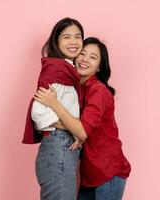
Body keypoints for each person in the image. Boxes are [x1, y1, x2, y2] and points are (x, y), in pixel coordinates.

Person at [34, 37, 131, 200]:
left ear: (100, 66)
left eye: (93, 57)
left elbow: (82, 131)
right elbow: (78, 128)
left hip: (108, 172)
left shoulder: (98, 90)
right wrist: (72, 127)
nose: (85, 59)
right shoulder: (74, 89)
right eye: (82, 54)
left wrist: (54, 104)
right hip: (89, 174)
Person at [22, 17, 84, 200]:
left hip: (61, 148)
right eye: (66, 37)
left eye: (77, 36)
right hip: (58, 147)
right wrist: (74, 129)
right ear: (56, 41)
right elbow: (38, 113)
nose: (73, 42)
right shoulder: (56, 70)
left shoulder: (67, 70)